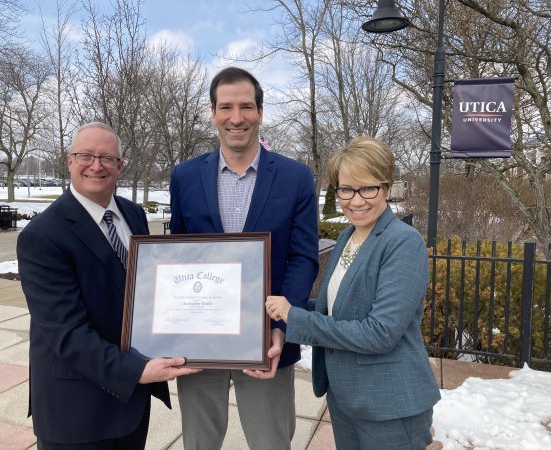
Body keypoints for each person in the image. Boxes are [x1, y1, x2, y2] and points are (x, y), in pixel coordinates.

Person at [17, 122, 200, 449]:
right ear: (69, 161)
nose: (96, 165)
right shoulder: (42, 236)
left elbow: (144, 291)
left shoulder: (133, 214)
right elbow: (66, 333)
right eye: (85, 155)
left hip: (130, 403)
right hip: (77, 410)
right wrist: (137, 371)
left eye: (106, 157)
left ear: (120, 166)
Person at [169, 67, 319, 449]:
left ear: (260, 111)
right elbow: (177, 257)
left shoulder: (295, 177)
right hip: (201, 340)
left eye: (246, 107)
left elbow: (302, 258)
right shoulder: (184, 176)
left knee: (271, 441)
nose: (237, 118)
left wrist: (284, 326)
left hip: (267, 339)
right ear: (213, 112)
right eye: (226, 107)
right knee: (199, 442)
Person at [266, 136, 441, 450]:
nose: (356, 200)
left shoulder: (403, 242)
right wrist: (284, 308)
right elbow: (339, 307)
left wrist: (295, 317)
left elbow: (380, 332)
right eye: (346, 189)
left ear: (386, 188)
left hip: (389, 403)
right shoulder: (349, 236)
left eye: (368, 188)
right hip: (346, 395)